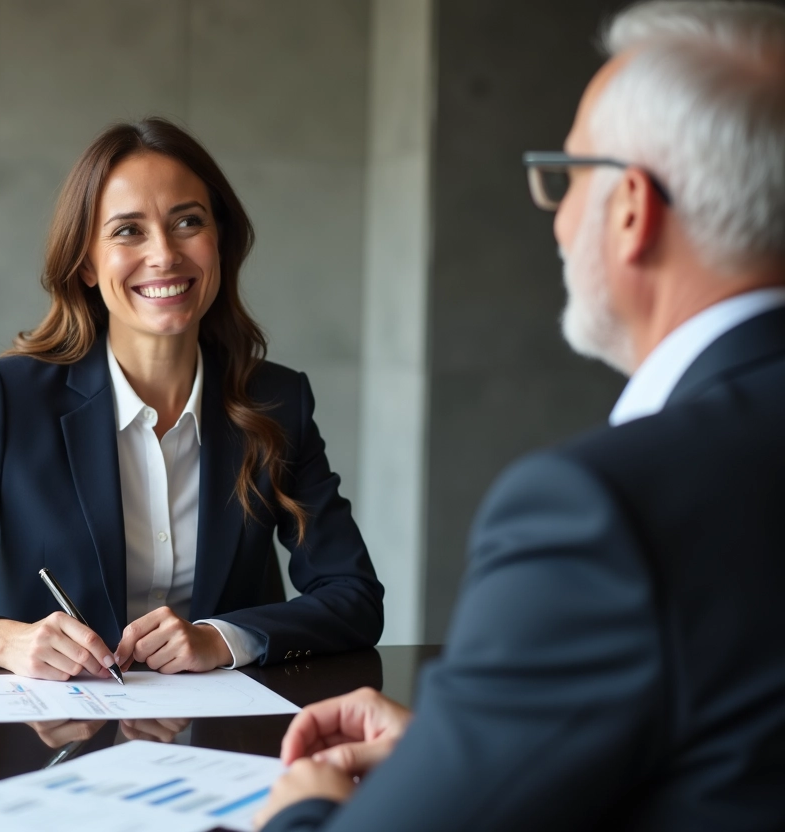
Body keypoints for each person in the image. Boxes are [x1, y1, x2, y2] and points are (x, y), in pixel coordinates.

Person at [256, 1, 785, 829]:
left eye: (568, 178)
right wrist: (466, 748)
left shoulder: (601, 513)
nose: (557, 217)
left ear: (631, 211)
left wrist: (306, 810)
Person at [0, 117, 384, 680]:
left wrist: (221, 639)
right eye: (128, 231)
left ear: (218, 241)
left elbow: (354, 596)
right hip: (49, 739)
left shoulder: (276, 400)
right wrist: (4, 642)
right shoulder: (10, 399)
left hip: (220, 738)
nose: (165, 255)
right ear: (85, 264)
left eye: (188, 222)